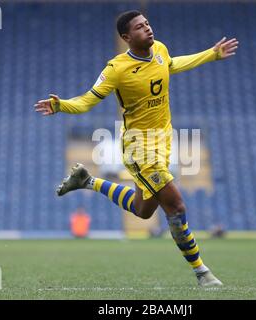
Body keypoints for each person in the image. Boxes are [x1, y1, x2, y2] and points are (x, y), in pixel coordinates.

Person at [35, 10, 238, 286]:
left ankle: (88, 181)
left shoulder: (160, 49)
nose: (148, 29)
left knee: (143, 210)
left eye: (148, 24)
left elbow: (172, 64)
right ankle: (202, 272)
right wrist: (61, 105)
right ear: (126, 37)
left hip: (163, 141)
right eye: (140, 27)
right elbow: (86, 101)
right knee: (176, 205)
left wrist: (211, 54)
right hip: (139, 148)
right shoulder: (116, 69)